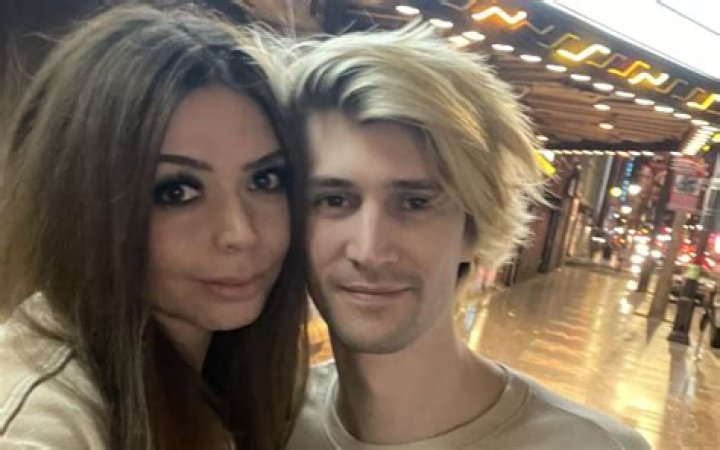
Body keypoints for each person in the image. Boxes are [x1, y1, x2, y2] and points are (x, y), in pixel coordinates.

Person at [279, 24, 651, 449]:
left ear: (474, 227)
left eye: (415, 203)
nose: (370, 250)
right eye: (332, 200)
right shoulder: (268, 422)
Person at [0, 5, 307, 449]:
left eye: (265, 180)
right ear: (86, 202)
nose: (241, 233)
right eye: (176, 191)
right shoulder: (42, 416)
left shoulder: (226, 370)